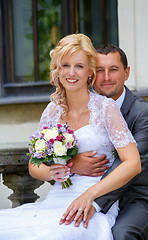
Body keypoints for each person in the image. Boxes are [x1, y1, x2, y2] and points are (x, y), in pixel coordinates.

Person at [0, 34, 140, 240]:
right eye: (65, 65)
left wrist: (90, 196)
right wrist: (57, 171)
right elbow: (34, 166)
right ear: (57, 69)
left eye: (79, 66)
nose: (71, 73)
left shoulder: (105, 108)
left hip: (95, 203)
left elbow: (133, 163)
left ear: (90, 71)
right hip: (57, 198)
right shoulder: (51, 111)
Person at [60, 43, 148, 240]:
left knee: (120, 234)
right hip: (89, 191)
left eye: (113, 70)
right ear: (90, 74)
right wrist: (73, 164)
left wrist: (92, 200)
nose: (106, 77)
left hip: (139, 197)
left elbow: (130, 164)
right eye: (99, 70)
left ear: (126, 72)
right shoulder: (82, 110)